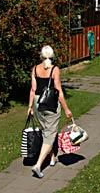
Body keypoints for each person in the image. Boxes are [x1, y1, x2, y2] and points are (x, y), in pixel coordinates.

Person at [28, 45, 72, 178]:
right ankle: (38, 165)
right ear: (52, 56)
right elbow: (59, 91)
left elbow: (33, 89)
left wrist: (30, 107)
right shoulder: (55, 69)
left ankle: (52, 157)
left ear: (41, 56)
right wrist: (66, 109)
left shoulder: (35, 69)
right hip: (50, 103)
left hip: (38, 102)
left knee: (47, 130)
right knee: (50, 132)